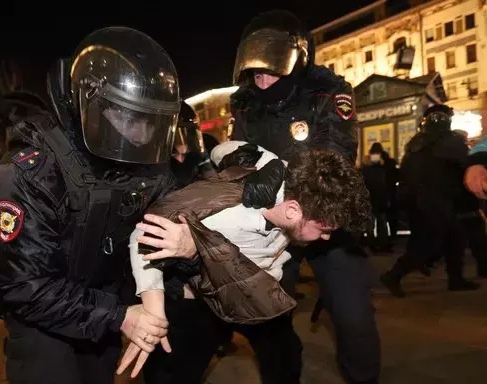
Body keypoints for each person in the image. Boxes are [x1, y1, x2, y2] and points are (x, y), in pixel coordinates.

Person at [0, 27, 189, 383]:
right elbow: (27, 286)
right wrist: (120, 317)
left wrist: (188, 246)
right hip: (43, 319)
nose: (140, 136)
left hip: (106, 301)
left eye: (148, 122)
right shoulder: (30, 173)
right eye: (128, 119)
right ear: (88, 105)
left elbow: (172, 215)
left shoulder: (147, 163)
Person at [119, 142, 371, 381]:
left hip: (257, 290)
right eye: (323, 229)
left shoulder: (283, 173)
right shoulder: (226, 214)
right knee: (175, 372)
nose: (326, 237)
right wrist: (153, 308)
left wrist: (247, 159)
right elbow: (142, 234)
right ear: (293, 210)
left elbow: (223, 149)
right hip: (199, 302)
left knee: (285, 357)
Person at [222, 10, 379, 384]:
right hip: (274, 216)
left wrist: (306, 205)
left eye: (270, 65)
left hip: (326, 216)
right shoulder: (244, 102)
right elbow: (240, 157)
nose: (260, 77)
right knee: (268, 313)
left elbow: (336, 154)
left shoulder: (329, 91)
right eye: (253, 66)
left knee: (352, 312)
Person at [380, 104, 480, 297]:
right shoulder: (451, 141)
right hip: (438, 201)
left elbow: (407, 174)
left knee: (453, 239)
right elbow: (464, 167)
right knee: (429, 243)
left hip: (419, 202)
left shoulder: (416, 143)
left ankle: (456, 279)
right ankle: (394, 275)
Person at [170, 101, 216, 188]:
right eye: (177, 135)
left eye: (186, 131)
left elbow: (213, 178)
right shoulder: (163, 163)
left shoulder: (207, 145)